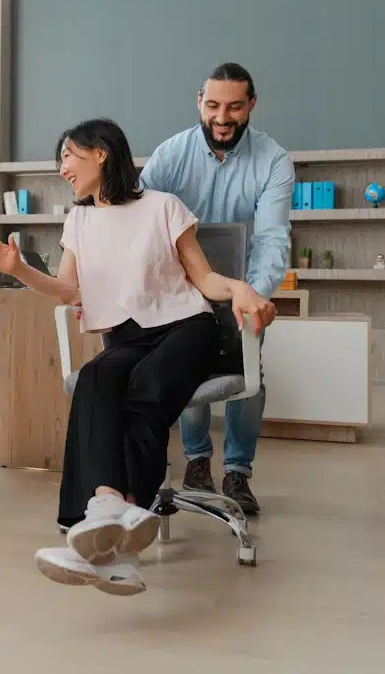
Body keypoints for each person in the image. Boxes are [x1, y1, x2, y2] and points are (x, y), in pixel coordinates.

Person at [0, 118, 275, 595]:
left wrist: (239, 288)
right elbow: (67, 289)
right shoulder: (80, 220)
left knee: (144, 389)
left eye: (69, 155)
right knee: (95, 380)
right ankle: (112, 526)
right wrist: (20, 270)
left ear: (101, 153)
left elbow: (204, 279)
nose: (63, 168)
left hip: (187, 327)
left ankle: (106, 529)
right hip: (128, 337)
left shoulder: (163, 207)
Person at [140, 62, 294, 515]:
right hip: (181, 285)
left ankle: (238, 473)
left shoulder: (273, 161)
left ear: (251, 105)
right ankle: (197, 463)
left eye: (233, 107)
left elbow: (271, 237)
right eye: (212, 106)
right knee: (190, 371)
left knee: (248, 374)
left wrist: (256, 295)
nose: (221, 118)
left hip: (244, 282)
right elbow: (142, 219)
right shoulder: (170, 155)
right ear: (199, 102)